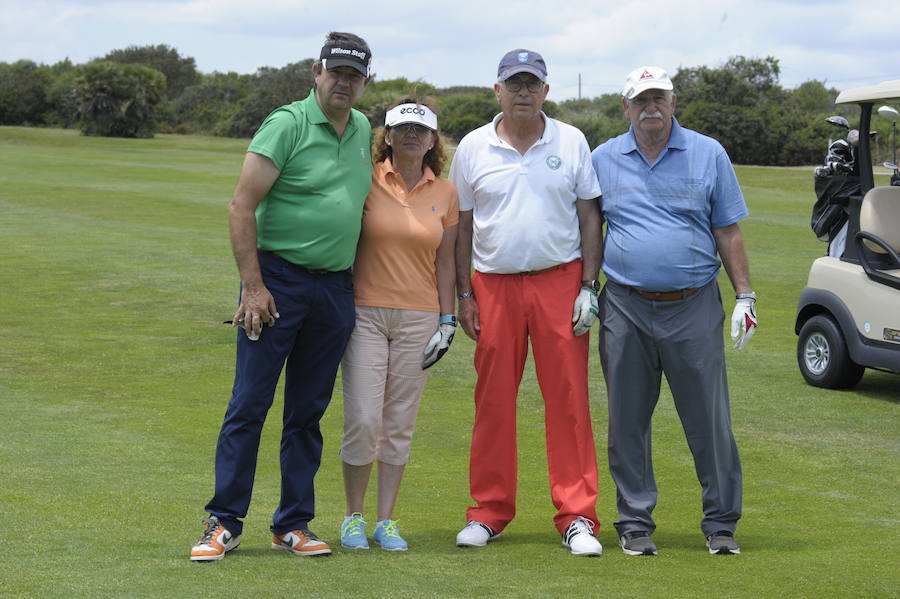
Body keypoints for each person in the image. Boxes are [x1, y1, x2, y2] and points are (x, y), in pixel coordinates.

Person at [190, 31, 373, 562]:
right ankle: (224, 521)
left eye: (354, 75)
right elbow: (240, 206)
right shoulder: (287, 124)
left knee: (308, 411)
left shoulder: (361, 127)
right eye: (336, 72)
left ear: (365, 82)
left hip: (335, 287)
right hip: (277, 282)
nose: (344, 82)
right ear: (316, 72)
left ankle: (292, 523)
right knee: (250, 404)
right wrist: (253, 286)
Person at [591, 66, 758, 557]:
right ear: (625, 107)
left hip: (693, 304)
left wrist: (744, 294)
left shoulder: (708, 153)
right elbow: (588, 227)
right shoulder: (603, 158)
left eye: (659, 97)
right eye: (641, 99)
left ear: (674, 101)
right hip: (624, 304)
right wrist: (585, 287)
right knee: (627, 419)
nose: (651, 107)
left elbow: (727, 228)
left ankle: (721, 523)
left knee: (709, 418)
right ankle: (635, 522)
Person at [450, 49, 604, 556]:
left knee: (568, 400)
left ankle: (577, 515)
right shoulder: (473, 147)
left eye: (531, 83)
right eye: (513, 83)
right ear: (497, 90)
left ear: (545, 90)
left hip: (559, 281)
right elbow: (463, 226)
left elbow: (589, 218)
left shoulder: (571, 140)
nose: (522, 91)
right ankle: (489, 512)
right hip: (492, 284)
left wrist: (587, 287)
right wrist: (464, 294)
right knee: (492, 401)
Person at [338, 97, 459, 552]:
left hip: (421, 317)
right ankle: (353, 516)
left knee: (399, 423)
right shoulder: (366, 179)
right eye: (402, 128)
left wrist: (447, 320)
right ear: (386, 135)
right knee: (364, 419)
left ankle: (385, 520)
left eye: (420, 130)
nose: (411, 136)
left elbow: (446, 262)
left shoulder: (445, 192)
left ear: (432, 140)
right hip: (364, 313)